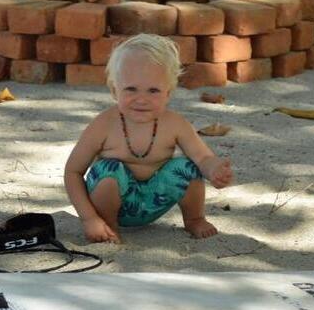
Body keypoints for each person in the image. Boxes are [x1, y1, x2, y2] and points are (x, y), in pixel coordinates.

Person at [64, 34, 233, 243]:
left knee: (187, 167)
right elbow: (73, 171)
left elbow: (202, 157)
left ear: (168, 93)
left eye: (153, 90)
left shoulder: (174, 123)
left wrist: (214, 169)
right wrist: (88, 218)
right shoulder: (104, 124)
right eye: (131, 89)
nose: (141, 99)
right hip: (112, 205)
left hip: (154, 201)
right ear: (114, 90)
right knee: (108, 170)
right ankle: (106, 225)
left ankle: (194, 219)